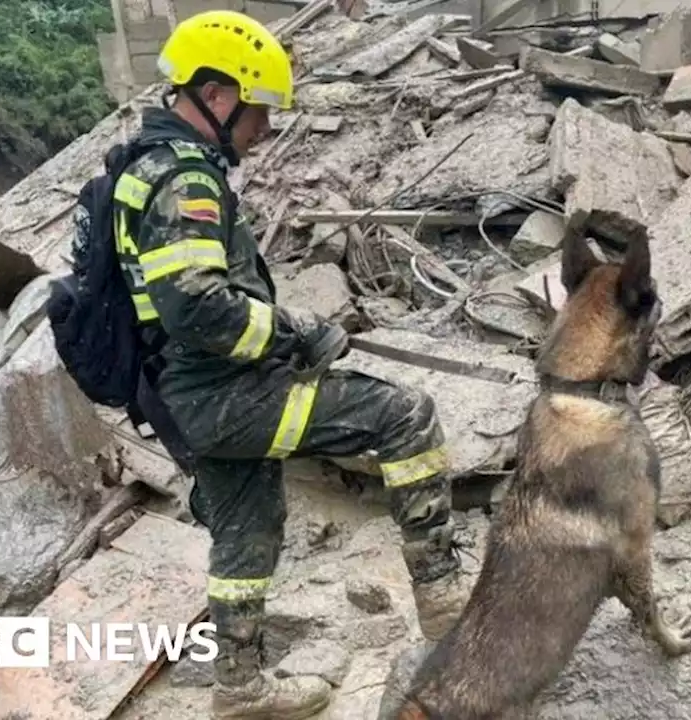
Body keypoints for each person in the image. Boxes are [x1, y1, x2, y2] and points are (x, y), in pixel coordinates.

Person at [108, 10, 471, 718]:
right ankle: (448, 609)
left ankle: (239, 687)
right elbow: (199, 310)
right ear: (218, 96)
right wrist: (296, 332)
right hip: (220, 393)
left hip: (179, 395)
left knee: (248, 526)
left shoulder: (142, 166)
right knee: (405, 415)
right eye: (259, 109)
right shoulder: (184, 182)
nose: (264, 128)